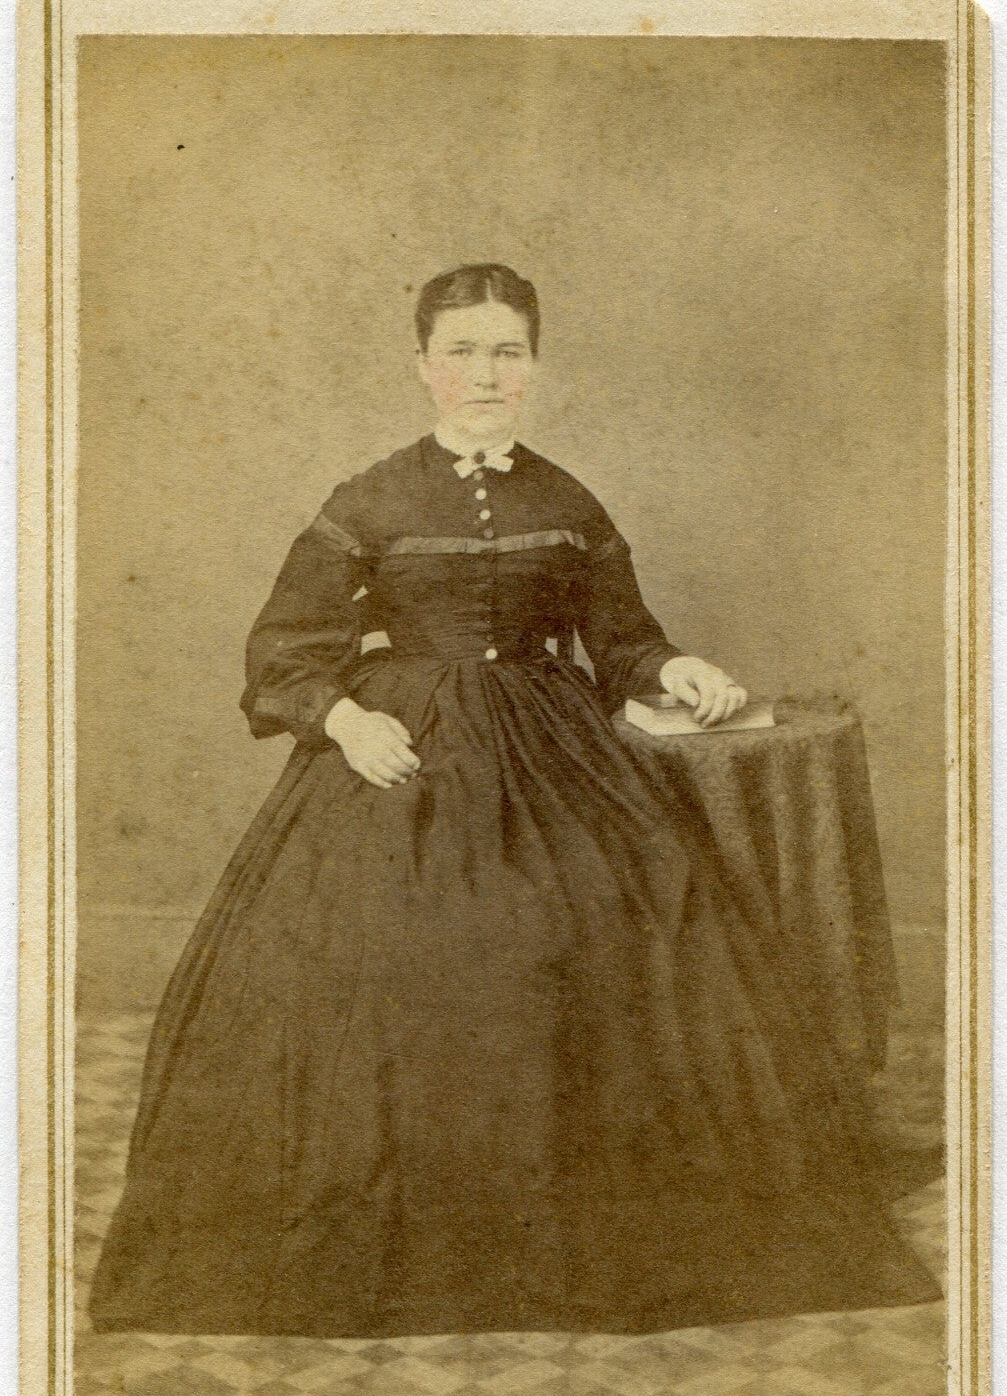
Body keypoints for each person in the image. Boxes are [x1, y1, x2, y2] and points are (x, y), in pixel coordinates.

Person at [90, 264, 938, 1338]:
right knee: (402, 943)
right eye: (461, 352)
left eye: (506, 351)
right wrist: (346, 721)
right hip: (404, 743)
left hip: (553, 744)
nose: (484, 373)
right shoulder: (367, 500)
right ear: (423, 367)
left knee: (596, 923)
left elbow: (619, 639)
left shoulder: (567, 501)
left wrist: (672, 668)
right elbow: (284, 652)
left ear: (532, 367)